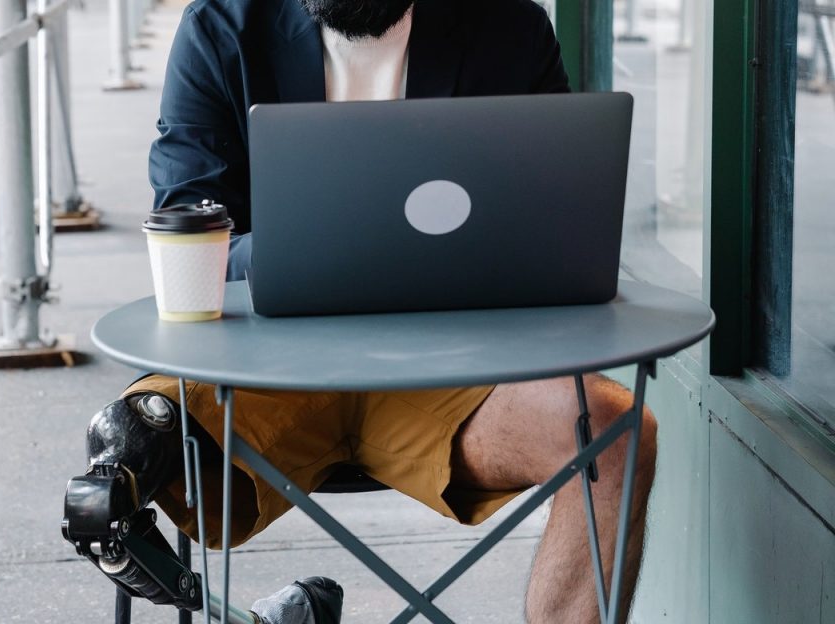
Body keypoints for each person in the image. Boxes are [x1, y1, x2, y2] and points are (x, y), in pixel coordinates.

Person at [89, 1, 658, 622]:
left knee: (616, 432)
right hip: (269, 373)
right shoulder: (223, 27)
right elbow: (187, 229)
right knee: (123, 456)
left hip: (452, 380)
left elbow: (557, 224)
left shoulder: (509, 28)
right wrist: (324, 241)